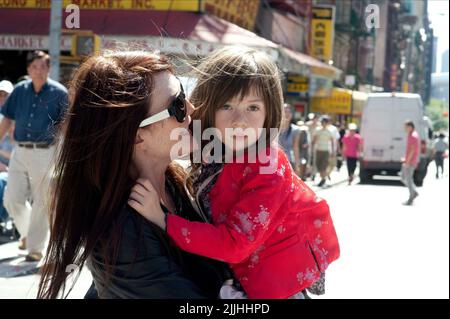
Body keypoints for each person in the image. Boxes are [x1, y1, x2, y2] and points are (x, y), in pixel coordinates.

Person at [129, 46, 340, 299]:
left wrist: (163, 220)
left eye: (253, 108)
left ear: (268, 113)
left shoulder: (266, 169)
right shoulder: (220, 149)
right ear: (207, 108)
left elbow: (235, 244)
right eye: (227, 106)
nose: (239, 120)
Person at [37, 50, 229, 299]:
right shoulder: (119, 234)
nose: (192, 107)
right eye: (178, 105)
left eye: (185, 94)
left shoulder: (177, 181)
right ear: (136, 136)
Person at [0, 51, 68, 262]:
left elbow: (66, 124)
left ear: (48, 69)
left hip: (45, 152)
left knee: (41, 201)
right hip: (20, 150)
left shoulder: (59, 92)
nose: (38, 70)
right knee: (12, 199)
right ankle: (30, 235)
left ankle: (35, 248)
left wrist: (67, 152)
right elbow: (7, 119)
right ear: (28, 70)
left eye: (42, 66)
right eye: (34, 67)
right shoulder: (20, 91)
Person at [0, 80, 14, 225]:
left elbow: (18, 152)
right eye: (0, 95)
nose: (2, 98)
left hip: (14, 168)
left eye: (6, 95)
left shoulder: (18, 119)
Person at [401, 120, 420, 206]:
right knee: (404, 178)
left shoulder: (413, 136)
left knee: (408, 179)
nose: (404, 128)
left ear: (410, 127)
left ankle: (411, 198)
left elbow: (412, 150)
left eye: (406, 127)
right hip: (408, 160)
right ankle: (414, 192)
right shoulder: (410, 135)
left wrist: (407, 161)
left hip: (411, 161)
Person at [312, 116, 335, 187]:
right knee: (318, 165)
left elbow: (332, 142)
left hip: (326, 151)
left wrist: (333, 151)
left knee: (324, 166)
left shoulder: (330, 131)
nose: (323, 124)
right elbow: (314, 140)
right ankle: (323, 177)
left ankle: (323, 179)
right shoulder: (317, 130)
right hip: (318, 150)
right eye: (322, 122)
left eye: (325, 122)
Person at [279, 104, 301, 174]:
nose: (287, 114)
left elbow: (295, 147)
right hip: (275, 161)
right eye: (285, 111)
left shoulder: (295, 129)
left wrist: (297, 164)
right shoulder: (273, 128)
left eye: (289, 112)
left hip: (289, 161)